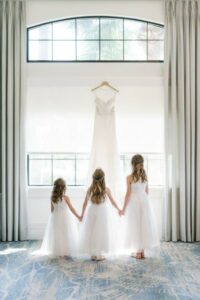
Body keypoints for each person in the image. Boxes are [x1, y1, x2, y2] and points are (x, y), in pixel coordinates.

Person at [120, 154, 160, 259]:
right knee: (144, 225)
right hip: (144, 201)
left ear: (132, 164)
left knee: (136, 226)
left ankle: (138, 251)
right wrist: (147, 204)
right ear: (142, 164)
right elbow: (147, 192)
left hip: (134, 203)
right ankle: (141, 250)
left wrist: (123, 209)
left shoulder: (129, 177)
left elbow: (128, 194)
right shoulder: (145, 176)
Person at [80, 168, 121, 261]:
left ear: (93, 178)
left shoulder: (90, 189)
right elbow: (113, 202)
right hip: (102, 212)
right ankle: (98, 254)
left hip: (91, 212)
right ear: (103, 178)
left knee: (91, 231)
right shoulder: (106, 189)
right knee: (101, 232)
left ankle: (94, 254)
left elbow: (84, 203)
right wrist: (119, 209)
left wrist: (82, 215)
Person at [40, 178, 81, 256]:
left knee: (58, 234)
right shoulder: (66, 198)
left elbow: (52, 210)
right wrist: (78, 216)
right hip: (65, 217)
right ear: (64, 187)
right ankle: (66, 250)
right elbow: (72, 209)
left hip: (55, 217)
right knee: (66, 233)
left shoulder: (52, 197)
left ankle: (59, 251)